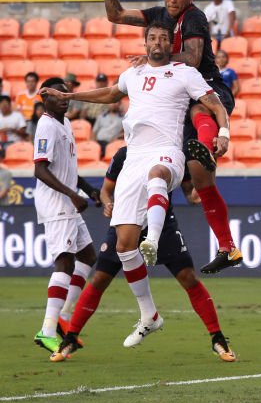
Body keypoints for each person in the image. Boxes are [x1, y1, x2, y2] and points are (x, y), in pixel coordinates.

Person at [45, 22, 231, 361]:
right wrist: (70, 96)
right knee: (123, 245)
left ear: (169, 44)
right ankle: (149, 314)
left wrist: (225, 134)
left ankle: (154, 238)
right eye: (152, 38)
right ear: (145, 43)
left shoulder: (184, 72)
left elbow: (215, 104)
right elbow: (110, 95)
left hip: (166, 150)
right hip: (134, 157)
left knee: (159, 174)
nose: (157, 42)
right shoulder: (132, 74)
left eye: (163, 38)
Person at [103, 0, 241, 274]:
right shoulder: (157, 16)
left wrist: (155, 59)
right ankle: (228, 247)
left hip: (208, 91)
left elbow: (192, 58)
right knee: (202, 182)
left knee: (197, 111)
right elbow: (115, 15)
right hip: (179, 105)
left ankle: (205, 146)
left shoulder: (194, 17)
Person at [61, 145, 237, 362]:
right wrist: (108, 205)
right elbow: (106, 191)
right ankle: (70, 338)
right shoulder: (124, 154)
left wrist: (209, 171)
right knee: (100, 278)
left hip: (161, 223)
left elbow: (192, 195)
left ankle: (217, 338)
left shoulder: (171, 154)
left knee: (188, 277)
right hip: (127, 221)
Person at [29, 77, 102, 356]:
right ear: (44, 98)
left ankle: (63, 316)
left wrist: (88, 190)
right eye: (58, 93)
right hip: (57, 204)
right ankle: (47, 330)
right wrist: (71, 195)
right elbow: (41, 170)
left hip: (69, 202)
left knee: (88, 257)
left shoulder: (65, 123)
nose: (64, 96)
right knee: (64, 262)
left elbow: (68, 169)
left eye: (66, 92)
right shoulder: (46, 125)